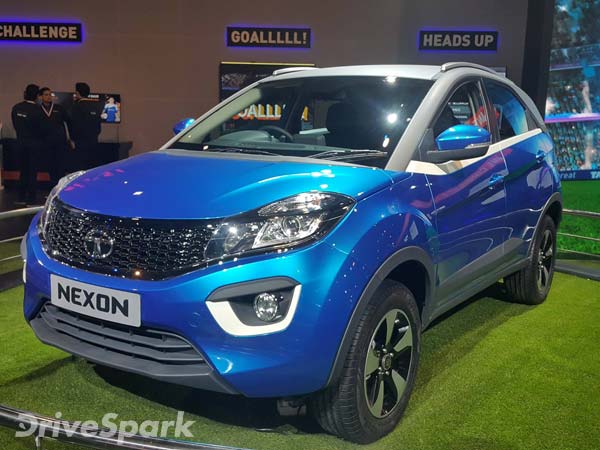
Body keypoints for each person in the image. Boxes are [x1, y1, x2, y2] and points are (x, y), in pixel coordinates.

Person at [11, 84, 44, 205]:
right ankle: (31, 199)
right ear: (37, 96)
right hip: (34, 145)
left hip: (20, 143)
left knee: (23, 171)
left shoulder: (16, 108)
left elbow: (16, 125)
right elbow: (41, 129)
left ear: (25, 93)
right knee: (32, 172)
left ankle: (21, 197)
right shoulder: (38, 110)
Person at [39, 87, 70, 185]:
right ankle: (52, 186)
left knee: (61, 165)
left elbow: (68, 121)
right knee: (50, 165)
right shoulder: (37, 109)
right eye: (46, 95)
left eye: (50, 94)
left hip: (60, 142)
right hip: (46, 142)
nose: (48, 97)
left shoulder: (59, 108)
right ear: (41, 97)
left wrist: (69, 138)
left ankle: (61, 186)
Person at [69, 82, 101, 169]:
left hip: (80, 143)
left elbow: (74, 125)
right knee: (92, 167)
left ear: (77, 93)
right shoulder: (96, 106)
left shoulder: (77, 106)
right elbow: (98, 126)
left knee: (80, 167)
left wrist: (72, 139)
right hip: (94, 141)